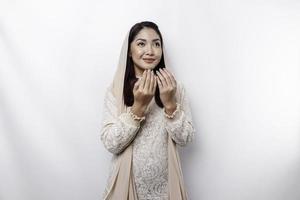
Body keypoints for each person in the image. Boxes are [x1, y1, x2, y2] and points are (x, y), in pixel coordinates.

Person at [100, 21, 195, 200]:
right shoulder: (116, 90)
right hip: (126, 185)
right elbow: (111, 143)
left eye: (156, 44)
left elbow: (186, 139)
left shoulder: (175, 88)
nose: (150, 51)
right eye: (141, 43)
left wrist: (170, 104)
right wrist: (138, 107)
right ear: (129, 50)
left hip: (167, 187)